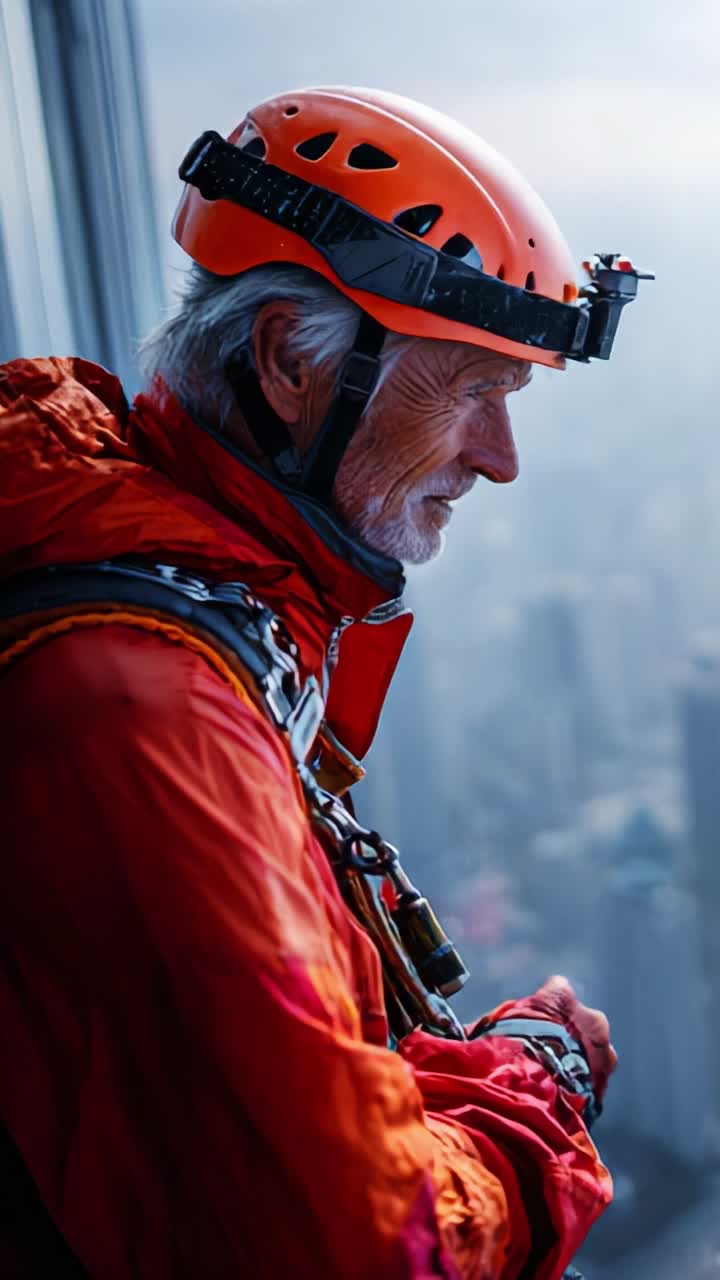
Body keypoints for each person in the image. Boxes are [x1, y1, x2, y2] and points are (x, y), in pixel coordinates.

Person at [0, 86, 646, 1278]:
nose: (501, 461)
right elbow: (358, 1240)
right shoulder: (148, 710)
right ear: (290, 365)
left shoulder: (186, 616)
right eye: (471, 388)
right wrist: (536, 1088)